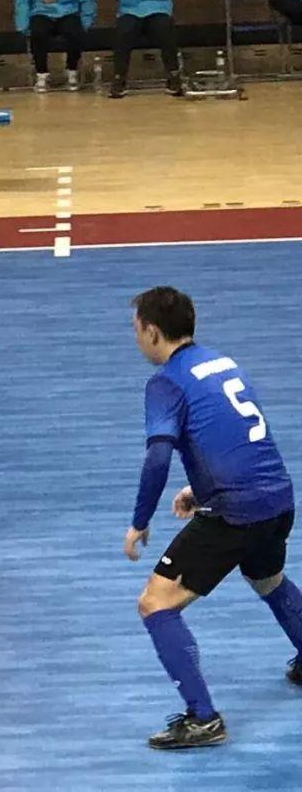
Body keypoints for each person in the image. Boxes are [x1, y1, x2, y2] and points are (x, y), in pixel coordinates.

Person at [124, 286, 300, 749]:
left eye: (136, 330)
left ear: (153, 332)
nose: (136, 339)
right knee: (267, 578)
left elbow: (157, 457)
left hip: (234, 514)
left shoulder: (166, 382)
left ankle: (203, 719)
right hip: (277, 500)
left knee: (155, 603)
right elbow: (236, 438)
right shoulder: (222, 363)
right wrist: (199, 490)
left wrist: (140, 521)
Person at [13, 0, 96, 93]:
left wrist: (86, 22)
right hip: (40, 12)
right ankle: (41, 74)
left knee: (74, 31)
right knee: (38, 32)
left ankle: (72, 71)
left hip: (68, 11)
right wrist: (23, 26)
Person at [110, 0, 181, 98]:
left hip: (159, 10)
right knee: (124, 30)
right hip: (129, 11)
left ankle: (174, 76)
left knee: (165, 28)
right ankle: (119, 78)